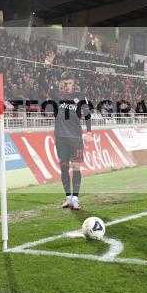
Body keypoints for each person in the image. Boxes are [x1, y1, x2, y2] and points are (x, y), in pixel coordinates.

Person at [51, 71, 92, 211]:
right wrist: (45, 67)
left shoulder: (80, 97)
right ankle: (68, 198)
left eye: (69, 83)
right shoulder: (57, 96)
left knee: (76, 167)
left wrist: (89, 132)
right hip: (61, 137)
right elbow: (41, 85)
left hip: (75, 137)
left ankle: (75, 199)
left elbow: (87, 115)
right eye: (64, 83)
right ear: (61, 83)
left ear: (73, 83)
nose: (66, 86)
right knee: (63, 167)